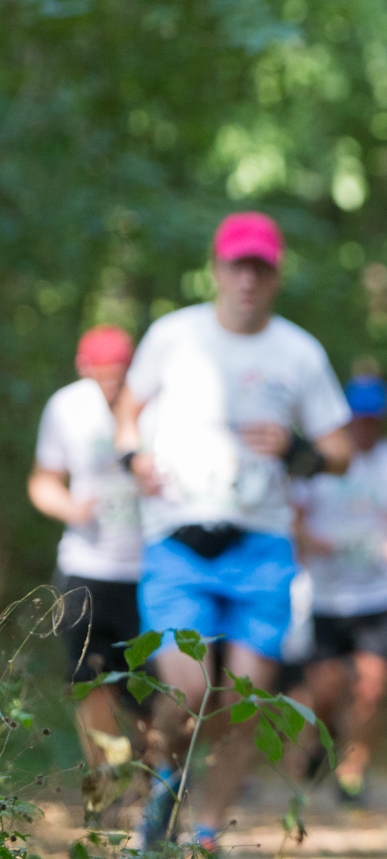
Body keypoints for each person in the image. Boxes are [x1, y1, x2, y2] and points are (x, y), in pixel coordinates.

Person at [114, 212, 353, 851]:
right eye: (237, 265)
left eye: (261, 267)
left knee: (245, 703)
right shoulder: (173, 335)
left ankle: (205, 833)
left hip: (262, 548)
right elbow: (127, 413)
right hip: (178, 541)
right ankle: (163, 787)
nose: (247, 278)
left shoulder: (299, 352)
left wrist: (296, 446)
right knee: (188, 689)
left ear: (275, 277)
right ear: (217, 268)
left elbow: (341, 449)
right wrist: (133, 459)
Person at [292, 375, 387, 803]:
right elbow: (290, 516)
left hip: (378, 595)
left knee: (371, 689)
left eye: (373, 420)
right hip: (325, 595)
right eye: (358, 419)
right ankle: (322, 742)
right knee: (324, 691)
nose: (365, 428)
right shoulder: (320, 462)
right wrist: (310, 541)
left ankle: (354, 771)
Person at [30, 326, 145, 803]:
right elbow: (43, 481)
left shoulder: (152, 404)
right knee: (87, 681)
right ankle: (108, 783)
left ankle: (153, 787)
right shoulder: (65, 407)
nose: (109, 387)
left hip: (147, 568)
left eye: (118, 377)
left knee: (145, 689)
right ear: (83, 368)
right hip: (85, 565)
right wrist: (70, 507)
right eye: (100, 377)